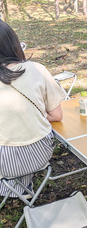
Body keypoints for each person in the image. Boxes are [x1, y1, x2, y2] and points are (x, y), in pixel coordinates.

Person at [0, 20, 66, 197]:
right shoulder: (38, 69)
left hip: (3, 162)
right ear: (13, 43)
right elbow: (57, 115)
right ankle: (23, 185)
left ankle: (15, 187)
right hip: (39, 154)